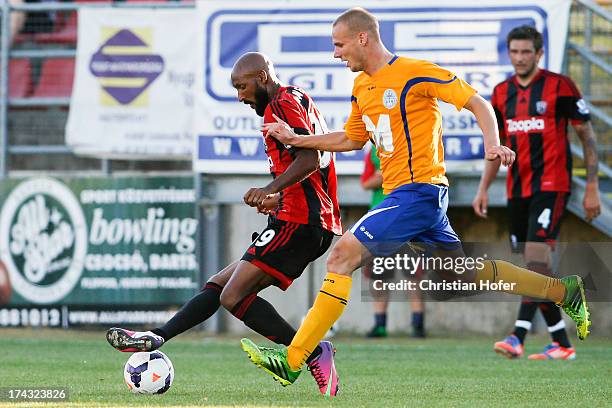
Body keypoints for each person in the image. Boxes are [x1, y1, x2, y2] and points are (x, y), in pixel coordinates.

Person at [240, 7, 591, 388]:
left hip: (418, 192)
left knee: (341, 255)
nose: (335, 54)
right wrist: (296, 139)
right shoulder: (362, 87)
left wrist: (493, 143)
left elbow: (477, 103)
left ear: (363, 38)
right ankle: (563, 290)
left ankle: (294, 359)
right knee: (466, 274)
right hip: (411, 197)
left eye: (339, 45)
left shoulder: (415, 71)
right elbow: (351, 139)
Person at [105, 52, 342, 397]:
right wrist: (278, 196)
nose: (240, 96)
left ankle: (309, 351)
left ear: (262, 77)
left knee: (234, 295)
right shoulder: (296, 99)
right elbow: (313, 160)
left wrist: (270, 189)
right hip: (298, 215)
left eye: (242, 87)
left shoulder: (282, 102)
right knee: (219, 285)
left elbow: (311, 157)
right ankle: (158, 335)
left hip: (301, 221)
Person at [472, 25, 601, 361]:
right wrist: (484, 188)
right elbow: (496, 147)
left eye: (526, 52)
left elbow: (587, 137)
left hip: (552, 186)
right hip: (517, 190)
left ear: (539, 53)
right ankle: (562, 341)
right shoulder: (501, 93)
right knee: (534, 267)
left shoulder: (560, 87)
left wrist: (591, 187)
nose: (519, 58)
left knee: (533, 262)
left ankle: (517, 336)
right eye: (514, 52)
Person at [360, 144, 425, 338]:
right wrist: (381, 177)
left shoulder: (412, 144)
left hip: (408, 218)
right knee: (379, 276)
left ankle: (418, 324)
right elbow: (365, 182)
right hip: (380, 221)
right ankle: (379, 324)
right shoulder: (373, 149)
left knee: (413, 275)